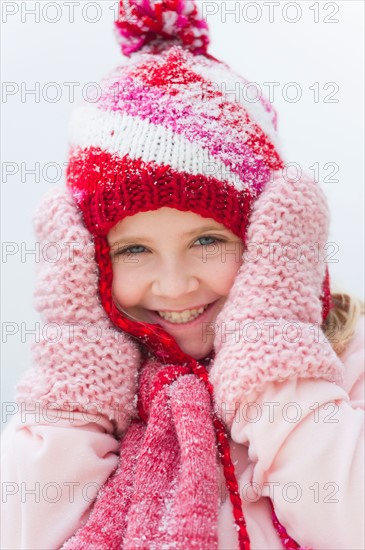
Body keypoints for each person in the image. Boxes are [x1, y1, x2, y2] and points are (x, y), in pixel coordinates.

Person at [1, 1, 364, 549]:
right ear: (87, 259)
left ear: (274, 238)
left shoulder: (341, 371)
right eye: (134, 250)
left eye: (208, 240)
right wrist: (78, 367)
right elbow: (25, 533)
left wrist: (270, 352)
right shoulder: (88, 401)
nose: (173, 287)